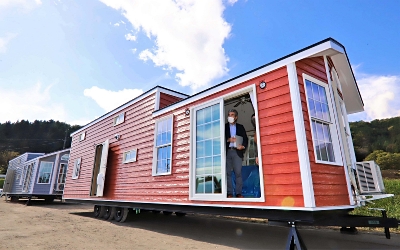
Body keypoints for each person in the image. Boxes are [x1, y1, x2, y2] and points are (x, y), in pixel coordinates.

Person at [225, 109, 248, 198]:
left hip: (237, 152)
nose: (230, 116)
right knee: (228, 173)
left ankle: (238, 193)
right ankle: (229, 193)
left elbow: (245, 139)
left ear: (236, 117)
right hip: (227, 152)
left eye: (232, 115)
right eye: (229, 115)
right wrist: (228, 140)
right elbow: (220, 138)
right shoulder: (224, 127)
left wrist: (243, 146)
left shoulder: (241, 127)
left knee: (238, 173)